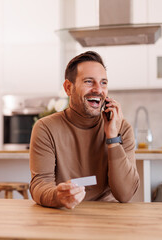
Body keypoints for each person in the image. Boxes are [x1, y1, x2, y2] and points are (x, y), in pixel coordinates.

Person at [29, 51, 140, 209]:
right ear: (68, 87)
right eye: (89, 82)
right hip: (64, 214)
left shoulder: (122, 128)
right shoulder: (46, 128)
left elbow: (126, 194)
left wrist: (113, 138)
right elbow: (40, 185)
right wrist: (57, 196)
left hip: (110, 216)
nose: (98, 90)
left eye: (103, 83)